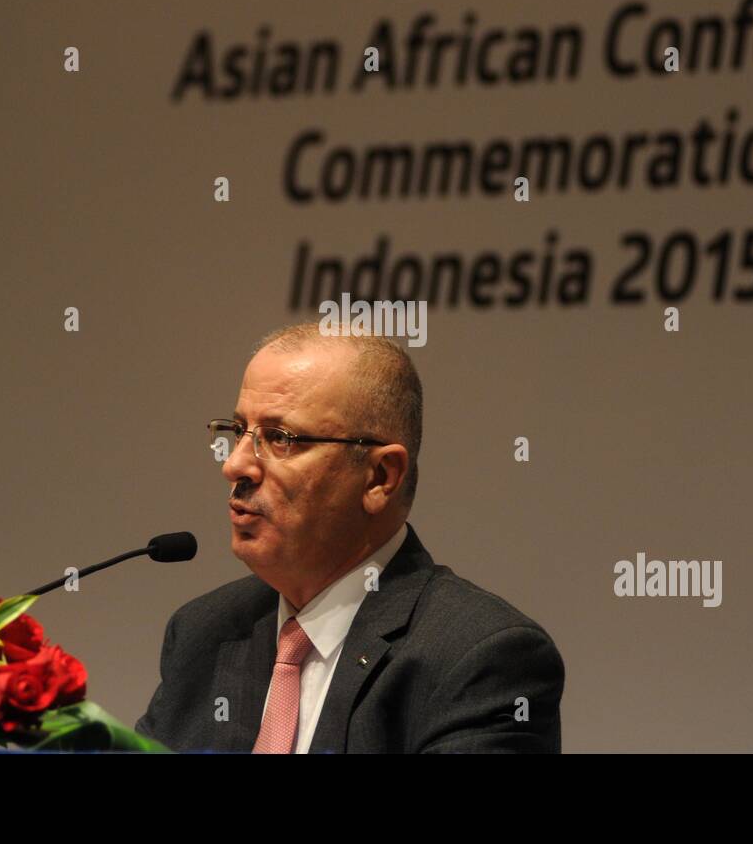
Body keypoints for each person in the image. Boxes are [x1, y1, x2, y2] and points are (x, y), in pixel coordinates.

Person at [135, 322, 564, 752]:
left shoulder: (481, 658)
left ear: (380, 477)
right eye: (238, 430)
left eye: (280, 439)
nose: (236, 465)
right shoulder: (202, 634)